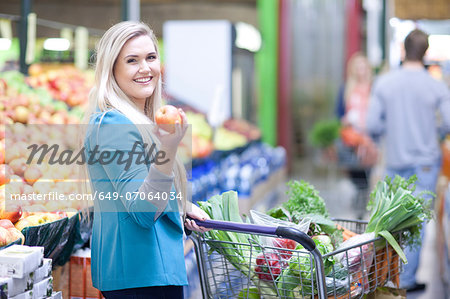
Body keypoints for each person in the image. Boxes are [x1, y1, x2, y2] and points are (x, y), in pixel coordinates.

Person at [83, 21, 210, 299]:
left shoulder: (138, 122)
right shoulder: (113, 124)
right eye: (132, 60)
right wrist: (168, 148)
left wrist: (177, 204)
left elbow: (136, 191)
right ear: (112, 69)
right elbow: (142, 211)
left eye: (151, 57)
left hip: (148, 274)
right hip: (141, 279)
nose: (145, 68)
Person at [366, 29, 450, 292]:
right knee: (417, 221)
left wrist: (390, 131)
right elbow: (448, 122)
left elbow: (371, 124)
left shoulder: (385, 83)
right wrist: (434, 134)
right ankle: (409, 280)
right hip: (425, 163)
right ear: (425, 53)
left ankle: (387, 278)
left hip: (394, 160)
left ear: (403, 49)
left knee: (389, 220)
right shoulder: (436, 85)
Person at [335, 53, 377, 218]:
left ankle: (362, 204)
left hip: (369, 140)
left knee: (368, 173)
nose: (360, 71)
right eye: (357, 67)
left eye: (363, 67)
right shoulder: (346, 88)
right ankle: (360, 202)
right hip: (351, 140)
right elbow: (337, 114)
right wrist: (345, 121)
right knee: (356, 173)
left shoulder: (374, 89)